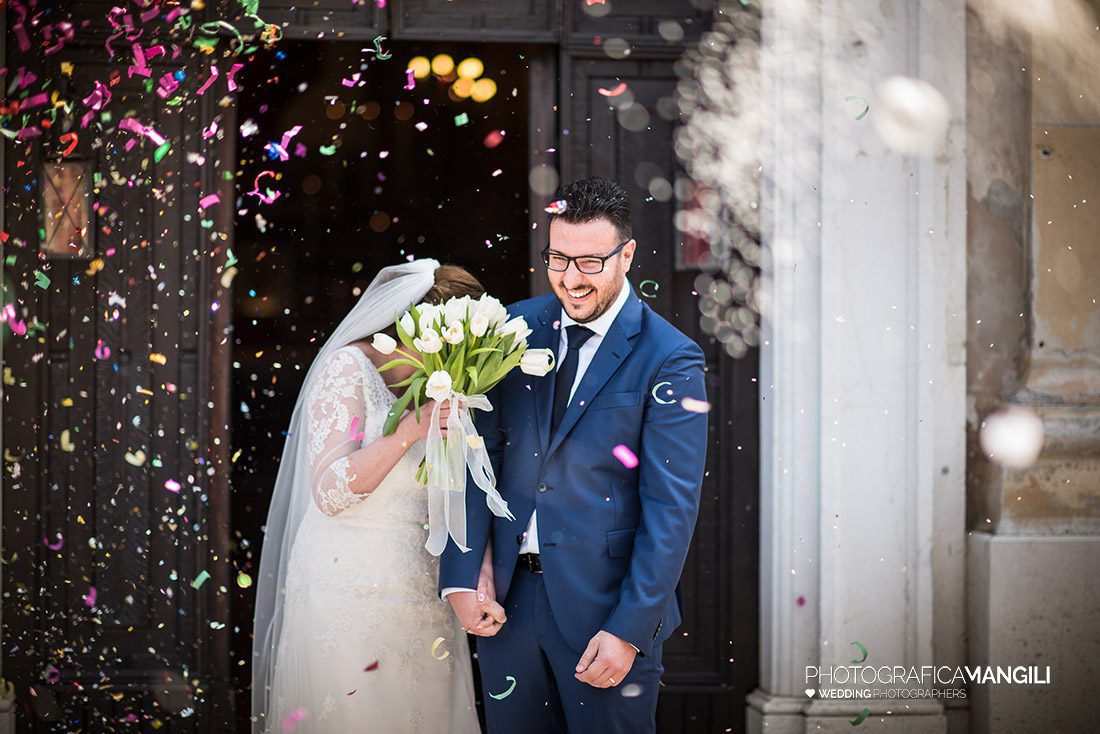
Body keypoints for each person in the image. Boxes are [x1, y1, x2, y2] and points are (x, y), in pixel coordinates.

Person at [440, 177, 709, 733]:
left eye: (590, 262)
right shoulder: (511, 329)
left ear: (626, 255)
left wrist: (629, 629)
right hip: (507, 607)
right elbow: (476, 454)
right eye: (558, 258)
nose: (571, 278)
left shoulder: (670, 358)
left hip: (605, 611)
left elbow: (671, 507)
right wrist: (463, 575)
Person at [251, 260, 503, 733]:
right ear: (411, 328)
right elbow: (329, 491)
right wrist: (409, 431)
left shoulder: (447, 382)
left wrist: (477, 573)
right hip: (347, 585)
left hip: (421, 588)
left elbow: (462, 488)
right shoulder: (348, 367)